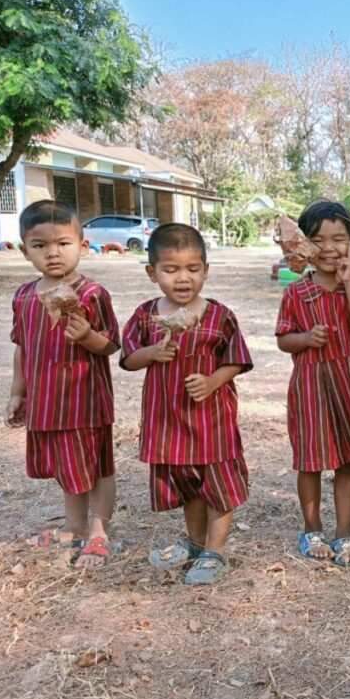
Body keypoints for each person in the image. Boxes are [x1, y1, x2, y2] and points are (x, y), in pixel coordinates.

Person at [121, 224, 252, 585]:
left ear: (205, 270)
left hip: (212, 421)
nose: (183, 278)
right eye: (171, 269)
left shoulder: (219, 316)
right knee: (189, 485)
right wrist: (152, 352)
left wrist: (212, 381)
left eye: (193, 269)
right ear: (152, 273)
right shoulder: (146, 316)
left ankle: (216, 551)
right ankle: (196, 544)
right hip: (169, 422)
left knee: (218, 484)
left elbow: (237, 359)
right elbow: (128, 358)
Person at [6, 200, 120, 568]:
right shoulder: (24, 296)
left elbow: (111, 345)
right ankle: (74, 527)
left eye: (63, 243)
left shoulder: (92, 294)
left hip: (85, 401)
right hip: (46, 402)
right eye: (40, 245)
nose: (53, 253)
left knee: (97, 467)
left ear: (82, 246)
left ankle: (99, 531)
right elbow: (22, 346)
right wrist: (18, 392)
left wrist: (87, 336)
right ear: (25, 251)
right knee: (67, 467)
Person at [276, 199, 350, 567]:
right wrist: (306, 339)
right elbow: (283, 339)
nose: (328, 248)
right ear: (302, 244)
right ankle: (312, 529)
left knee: (346, 460)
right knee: (309, 460)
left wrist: (349, 280)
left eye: (338, 239)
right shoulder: (296, 292)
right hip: (310, 384)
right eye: (317, 239)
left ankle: (344, 533)